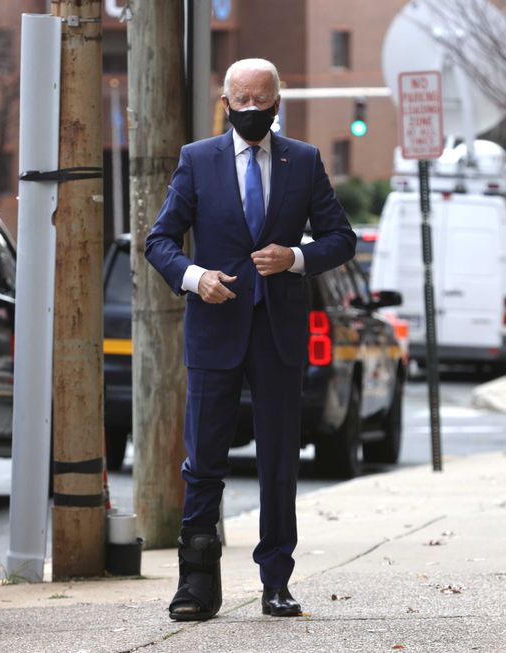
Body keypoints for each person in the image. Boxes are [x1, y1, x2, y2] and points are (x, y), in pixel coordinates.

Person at [145, 58, 356, 621]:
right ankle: (196, 584)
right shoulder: (198, 160)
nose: (253, 112)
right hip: (215, 330)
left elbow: (342, 238)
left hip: (279, 334)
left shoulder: (304, 162)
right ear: (226, 101)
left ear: (277, 103)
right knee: (204, 460)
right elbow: (159, 239)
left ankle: (276, 582)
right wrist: (196, 277)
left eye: (264, 103)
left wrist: (297, 258)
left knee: (279, 461)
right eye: (243, 103)